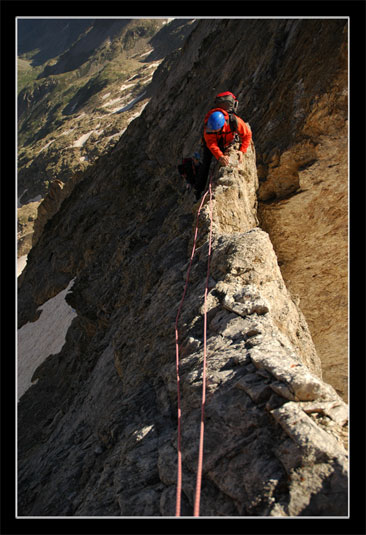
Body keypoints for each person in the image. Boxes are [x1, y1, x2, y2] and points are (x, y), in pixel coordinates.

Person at [194, 91, 252, 200]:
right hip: (215, 144)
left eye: (217, 130)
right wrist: (220, 156)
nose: (214, 131)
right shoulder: (208, 129)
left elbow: (247, 135)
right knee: (205, 164)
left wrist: (242, 151)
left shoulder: (235, 122)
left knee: (207, 164)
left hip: (227, 141)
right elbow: (211, 144)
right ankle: (198, 191)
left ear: (223, 124)